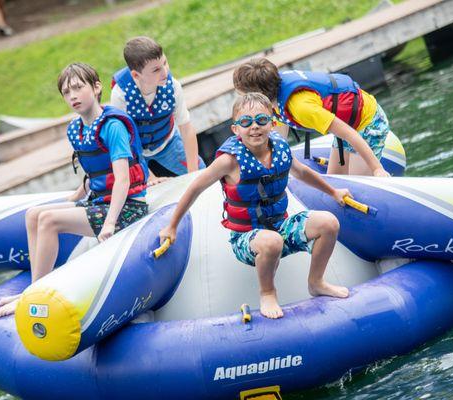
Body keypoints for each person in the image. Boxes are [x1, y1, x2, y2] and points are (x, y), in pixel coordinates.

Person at [159, 93, 351, 319]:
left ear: (273, 123)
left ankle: (316, 282)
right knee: (272, 241)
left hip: (281, 227)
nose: (254, 127)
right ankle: (268, 293)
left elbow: (302, 172)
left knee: (328, 223)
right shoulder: (228, 161)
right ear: (235, 129)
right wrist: (172, 225)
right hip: (246, 239)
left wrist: (333, 191)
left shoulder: (279, 147)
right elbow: (194, 189)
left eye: (261, 120)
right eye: (246, 122)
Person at [0, 63, 149, 317]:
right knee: (34, 214)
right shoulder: (76, 129)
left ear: (96, 87)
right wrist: (73, 198)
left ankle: (34, 294)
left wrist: (110, 223)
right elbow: (95, 174)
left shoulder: (112, 127)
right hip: (99, 203)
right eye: (66, 92)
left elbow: (121, 180)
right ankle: (34, 288)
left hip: (127, 209)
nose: (73, 96)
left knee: (48, 220)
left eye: (78, 88)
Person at [233, 58, 391, 177]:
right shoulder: (274, 93)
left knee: (356, 187)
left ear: (260, 93)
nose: (245, 100)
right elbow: (279, 134)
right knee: (336, 179)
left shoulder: (301, 107)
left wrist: (377, 169)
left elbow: (348, 133)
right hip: (348, 124)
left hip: (367, 123)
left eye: (245, 96)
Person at [110, 36, 205, 179]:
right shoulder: (120, 95)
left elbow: (186, 129)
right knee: (139, 187)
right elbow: (124, 141)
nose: (165, 72)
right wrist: (150, 177)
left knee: (202, 173)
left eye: (165, 63)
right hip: (135, 151)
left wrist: (194, 174)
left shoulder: (173, 86)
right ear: (136, 75)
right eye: (156, 70)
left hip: (168, 143)